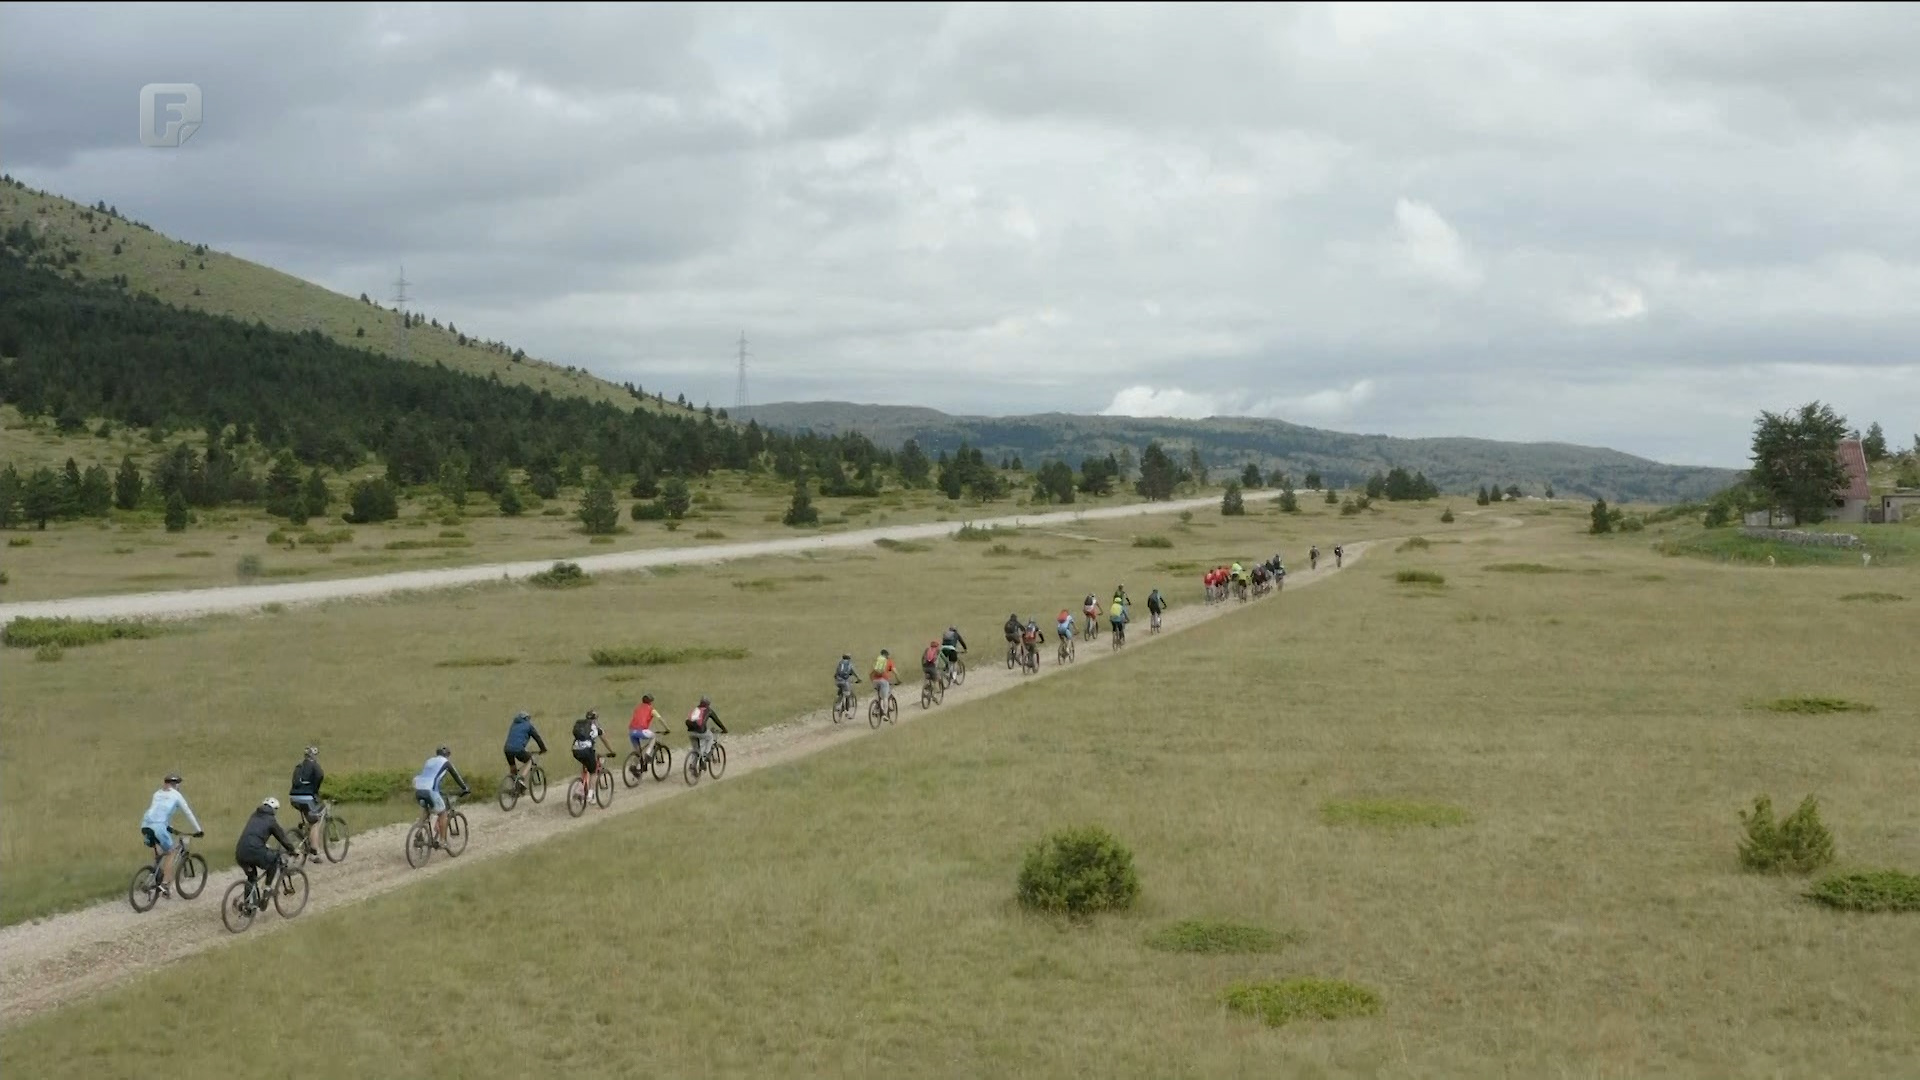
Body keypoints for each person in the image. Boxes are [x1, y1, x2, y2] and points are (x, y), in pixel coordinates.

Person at [139, 772, 202, 897]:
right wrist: (199, 830)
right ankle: (165, 884)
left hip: (145, 825)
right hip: (159, 827)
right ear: (176, 785)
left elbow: (158, 811)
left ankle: (155, 873)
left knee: (157, 847)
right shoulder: (177, 795)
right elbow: (188, 813)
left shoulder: (157, 794)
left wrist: (168, 827)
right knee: (171, 852)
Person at [235, 796, 299, 898]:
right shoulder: (271, 821)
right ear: (274, 809)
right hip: (254, 850)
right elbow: (282, 838)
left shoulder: (254, 815)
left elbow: (254, 834)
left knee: (251, 877)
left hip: (240, 851)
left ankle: (249, 907)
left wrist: (263, 844)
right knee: (274, 860)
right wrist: (292, 850)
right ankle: (267, 888)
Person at [412, 745, 470, 850]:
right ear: (447, 755)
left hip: (419, 789)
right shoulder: (446, 763)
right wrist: (465, 788)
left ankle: (419, 831)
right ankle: (442, 841)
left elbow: (429, 775)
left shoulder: (429, 761)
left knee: (427, 810)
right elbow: (456, 776)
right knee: (443, 813)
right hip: (430, 790)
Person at [288, 746, 325, 861]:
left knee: (309, 815)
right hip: (306, 797)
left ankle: (304, 836)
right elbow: (320, 776)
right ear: (313, 755)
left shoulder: (299, 766)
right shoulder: (314, 765)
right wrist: (315, 790)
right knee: (315, 821)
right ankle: (314, 852)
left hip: (294, 798)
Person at [571, 709, 614, 802]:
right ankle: (590, 795)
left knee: (586, 765)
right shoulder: (597, 729)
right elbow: (605, 741)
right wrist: (612, 751)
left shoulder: (581, 725)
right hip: (587, 751)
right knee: (593, 771)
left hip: (575, 750)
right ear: (595, 719)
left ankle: (580, 787)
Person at [504, 710, 547, 793]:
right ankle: (521, 779)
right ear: (526, 718)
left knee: (513, 767)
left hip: (507, 749)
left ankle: (515, 787)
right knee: (529, 760)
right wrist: (543, 749)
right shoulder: (528, 725)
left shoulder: (513, 725)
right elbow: (537, 738)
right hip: (518, 749)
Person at [685, 695, 728, 765]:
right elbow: (717, 721)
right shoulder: (708, 710)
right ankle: (707, 755)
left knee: (696, 750)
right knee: (710, 737)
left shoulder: (696, 709)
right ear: (708, 703)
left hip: (690, 732)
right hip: (700, 731)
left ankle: (693, 766)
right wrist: (724, 729)